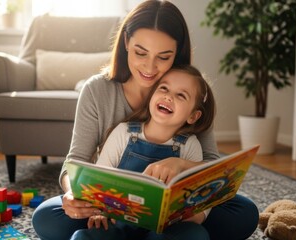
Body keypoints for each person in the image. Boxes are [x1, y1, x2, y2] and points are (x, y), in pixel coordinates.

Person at [32, 1, 259, 239]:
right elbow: (75, 161)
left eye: (164, 56)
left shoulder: (189, 91)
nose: (150, 67)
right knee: (48, 217)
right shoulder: (97, 91)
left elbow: (213, 166)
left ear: (177, 53)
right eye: (141, 52)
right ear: (126, 42)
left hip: (172, 216)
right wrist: (73, 197)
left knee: (242, 212)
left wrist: (179, 165)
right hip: (115, 212)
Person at [81, 65, 215, 239]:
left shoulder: (189, 145)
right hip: (118, 221)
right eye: (164, 88)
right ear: (152, 95)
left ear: (193, 116)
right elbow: (98, 177)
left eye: (181, 95)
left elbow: (199, 192)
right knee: (88, 235)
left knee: (196, 235)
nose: (168, 96)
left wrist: (191, 216)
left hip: (163, 228)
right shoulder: (124, 132)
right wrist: (98, 210)